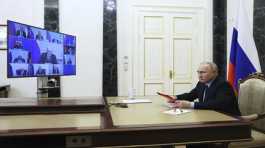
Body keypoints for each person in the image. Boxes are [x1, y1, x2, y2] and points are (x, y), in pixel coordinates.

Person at [160, 62, 241, 148]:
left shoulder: (223, 85)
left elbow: (217, 104)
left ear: (214, 73)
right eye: (198, 72)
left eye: (203, 72)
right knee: (177, 133)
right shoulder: (201, 83)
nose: (199, 75)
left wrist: (191, 105)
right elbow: (191, 95)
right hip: (209, 120)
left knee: (193, 135)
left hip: (227, 123)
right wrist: (175, 97)